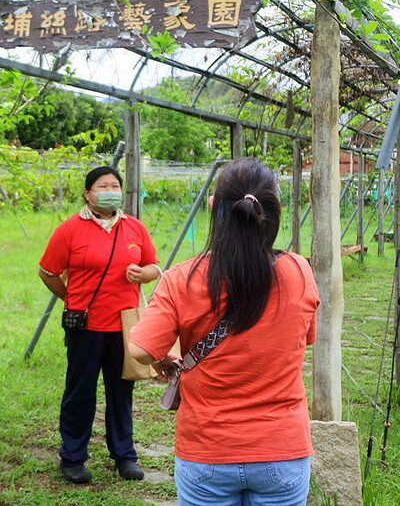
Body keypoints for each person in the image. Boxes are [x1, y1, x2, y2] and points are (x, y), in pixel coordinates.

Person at [128, 157, 318, 505]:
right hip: (282, 448)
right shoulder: (299, 271)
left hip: (206, 453)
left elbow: (139, 350)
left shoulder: (180, 279)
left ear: (214, 207)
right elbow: (305, 339)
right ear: (272, 211)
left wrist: (168, 360)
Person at [39, 166, 161, 484]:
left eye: (116, 185)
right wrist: (71, 298)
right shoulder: (69, 230)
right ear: (88, 194)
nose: (111, 190)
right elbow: (47, 271)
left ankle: (124, 455)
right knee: (80, 392)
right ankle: (73, 457)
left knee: (122, 391)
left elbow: (153, 266)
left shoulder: (135, 228)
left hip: (125, 326)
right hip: (85, 325)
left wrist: (142, 274)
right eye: (103, 186)